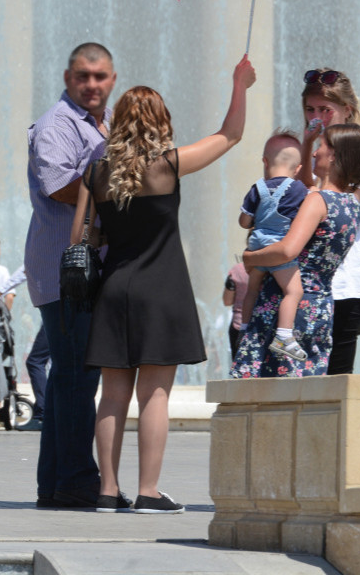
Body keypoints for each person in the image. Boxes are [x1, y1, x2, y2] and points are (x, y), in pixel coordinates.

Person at [77, 56, 255, 514]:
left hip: (114, 289)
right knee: (155, 395)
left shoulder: (97, 173)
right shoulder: (169, 166)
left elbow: (82, 237)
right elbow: (230, 135)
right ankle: (149, 491)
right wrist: (239, 84)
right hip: (162, 290)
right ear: (160, 122)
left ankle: (106, 490)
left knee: (112, 395)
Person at [25, 42, 116, 508]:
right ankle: (78, 477)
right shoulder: (57, 125)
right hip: (65, 269)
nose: (92, 85)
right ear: (67, 78)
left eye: (100, 77)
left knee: (70, 376)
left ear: (113, 79)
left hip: (81, 268)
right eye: (83, 76)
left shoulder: (106, 126)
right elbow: (59, 185)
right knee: (78, 374)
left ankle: (56, 483)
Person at [232, 123, 360, 378]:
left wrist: (250, 257)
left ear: (333, 156)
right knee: (305, 389)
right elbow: (309, 186)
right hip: (319, 308)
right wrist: (307, 142)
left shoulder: (316, 201)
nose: (315, 153)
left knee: (268, 390)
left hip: (285, 310)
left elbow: (287, 250)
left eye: (321, 147)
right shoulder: (351, 205)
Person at [298, 69, 360, 374]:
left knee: (334, 376)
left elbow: (333, 210)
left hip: (344, 283)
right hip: (312, 283)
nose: (316, 117)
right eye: (310, 109)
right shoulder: (316, 155)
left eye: (325, 109)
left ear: (347, 110)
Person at [237, 132, 308, 361]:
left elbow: (244, 222)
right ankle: (284, 335)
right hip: (277, 250)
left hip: (256, 245)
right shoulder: (297, 189)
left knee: (252, 290)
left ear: (265, 162)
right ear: (297, 169)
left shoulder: (256, 188)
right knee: (294, 291)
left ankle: (244, 328)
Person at [222, 255, 249, 357]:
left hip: (239, 325)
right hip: (265, 325)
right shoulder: (273, 267)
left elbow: (227, 301)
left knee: (241, 368)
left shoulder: (237, 270)